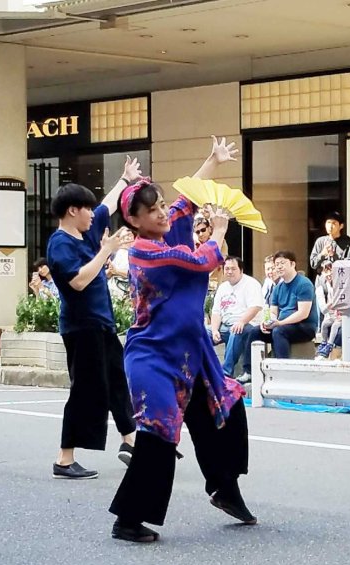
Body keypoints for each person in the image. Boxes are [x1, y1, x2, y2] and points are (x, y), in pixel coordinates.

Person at [109, 136, 255, 543]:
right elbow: (203, 260)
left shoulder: (168, 227)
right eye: (151, 210)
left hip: (192, 352)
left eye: (159, 206)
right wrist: (219, 232)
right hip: (154, 358)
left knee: (225, 409)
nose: (161, 212)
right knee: (158, 434)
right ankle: (128, 520)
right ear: (134, 221)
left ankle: (225, 490)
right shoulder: (145, 253)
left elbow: (188, 197)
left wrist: (213, 161)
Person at [46, 157, 141, 480]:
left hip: (101, 324)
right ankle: (64, 458)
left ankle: (131, 442)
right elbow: (78, 281)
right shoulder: (59, 243)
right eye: (85, 209)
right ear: (72, 210)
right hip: (80, 327)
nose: (92, 214)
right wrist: (106, 251)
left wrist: (125, 180)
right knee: (85, 390)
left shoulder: (85, 233)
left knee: (117, 381)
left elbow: (106, 205)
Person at [238, 250, 319, 384]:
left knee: (279, 331)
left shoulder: (304, 284)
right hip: (282, 325)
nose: (279, 267)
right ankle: (249, 372)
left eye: (282, 263)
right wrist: (267, 322)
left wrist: (280, 323)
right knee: (253, 331)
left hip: (304, 327)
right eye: (276, 264)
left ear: (293, 264)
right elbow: (273, 312)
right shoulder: (278, 288)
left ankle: (282, 372)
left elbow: (303, 313)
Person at [208, 256, 264, 378]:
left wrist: (241, 322)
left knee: (236, 330)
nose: (229, 271)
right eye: (227, 268)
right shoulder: (223, 287)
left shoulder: (251, 284)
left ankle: (226, 373)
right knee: (202, 333)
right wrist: (214, 330)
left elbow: (255, 307)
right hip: (225, 325)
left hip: (248, 324)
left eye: (233, 269)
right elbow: (216, 312)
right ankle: (202, 370)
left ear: (241, 270)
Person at [315, 260, 341, 359]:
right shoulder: (321, 289)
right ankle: (324, 342)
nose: (329, 274)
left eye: (331, 270)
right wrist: (331, 303)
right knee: (325, 324)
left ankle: (329, 345)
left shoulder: (341, 285)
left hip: (340, 316)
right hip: (330, 316)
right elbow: (323, 310)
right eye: (326, 271)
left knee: (335, 326)